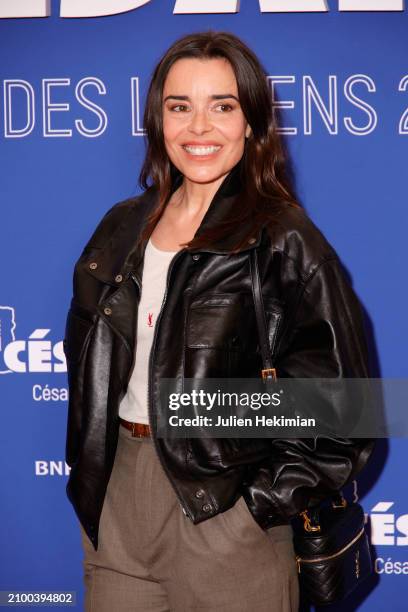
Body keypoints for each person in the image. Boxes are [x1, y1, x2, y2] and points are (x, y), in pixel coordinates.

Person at [63, 30, 374, 612]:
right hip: (117, 495)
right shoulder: (121, 225)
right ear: (159, 120)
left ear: (251, 122)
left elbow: (347, 407)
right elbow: (89, 359)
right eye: (179, 107)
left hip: (225, 509)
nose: (198, 128)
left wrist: (255, 505)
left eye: (222, 107)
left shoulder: (284, 239)